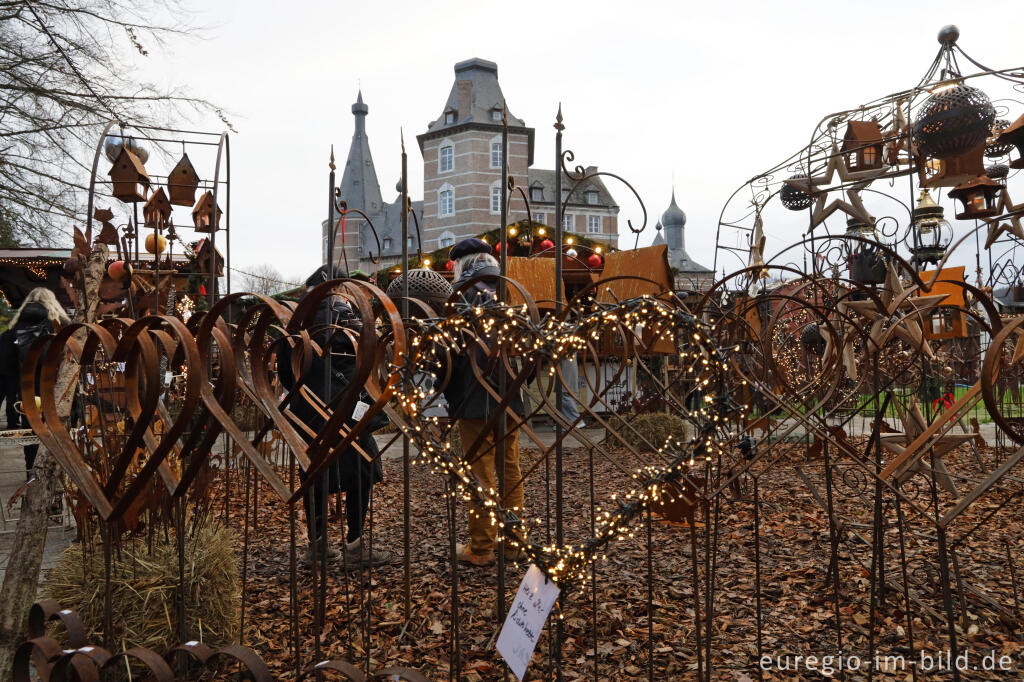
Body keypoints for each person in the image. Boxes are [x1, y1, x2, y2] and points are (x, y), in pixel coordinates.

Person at [278, 266, 393, 568]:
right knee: (360, 470)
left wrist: (306, 393)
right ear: (340, 289)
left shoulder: (294, 320)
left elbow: (285, 374)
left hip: (307, 409)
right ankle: (355, 546)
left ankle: (317, 547)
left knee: (315, 473)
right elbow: (369, 357)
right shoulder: (348, 316)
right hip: (346, 407)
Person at [444, 238, 527, 566]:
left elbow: (449, 352)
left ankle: (481, 548)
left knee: (481, 473)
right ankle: (514, 543)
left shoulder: (461, 295)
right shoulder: (508, 289)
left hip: (474, 396)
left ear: (462, 265)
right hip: (510, 394)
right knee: (510, 470)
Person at [0, 288, 68, 478]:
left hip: (28, 389)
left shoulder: (15, 328)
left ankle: (32, 471)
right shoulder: (61, 324)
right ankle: (55, 474)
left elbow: (7, 365)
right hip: (55, 387)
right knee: (56, 428)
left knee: (31, 430)